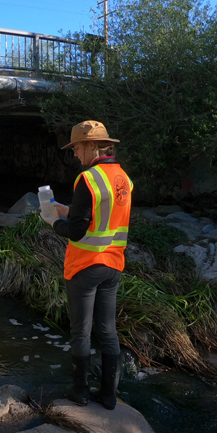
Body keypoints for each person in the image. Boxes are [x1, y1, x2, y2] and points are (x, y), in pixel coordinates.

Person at [41, 120, 132, 410]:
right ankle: (108, 397)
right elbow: (104, 217)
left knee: (81, 331)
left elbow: (76, 231)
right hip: (113, 265)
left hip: (85, 266)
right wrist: (71, 210)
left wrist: (54, 221)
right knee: (107, 331)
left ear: (92, 146)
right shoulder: (123, 179)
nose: (75, 155)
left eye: (77, 148)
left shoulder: (88, 179)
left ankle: (80, 393)